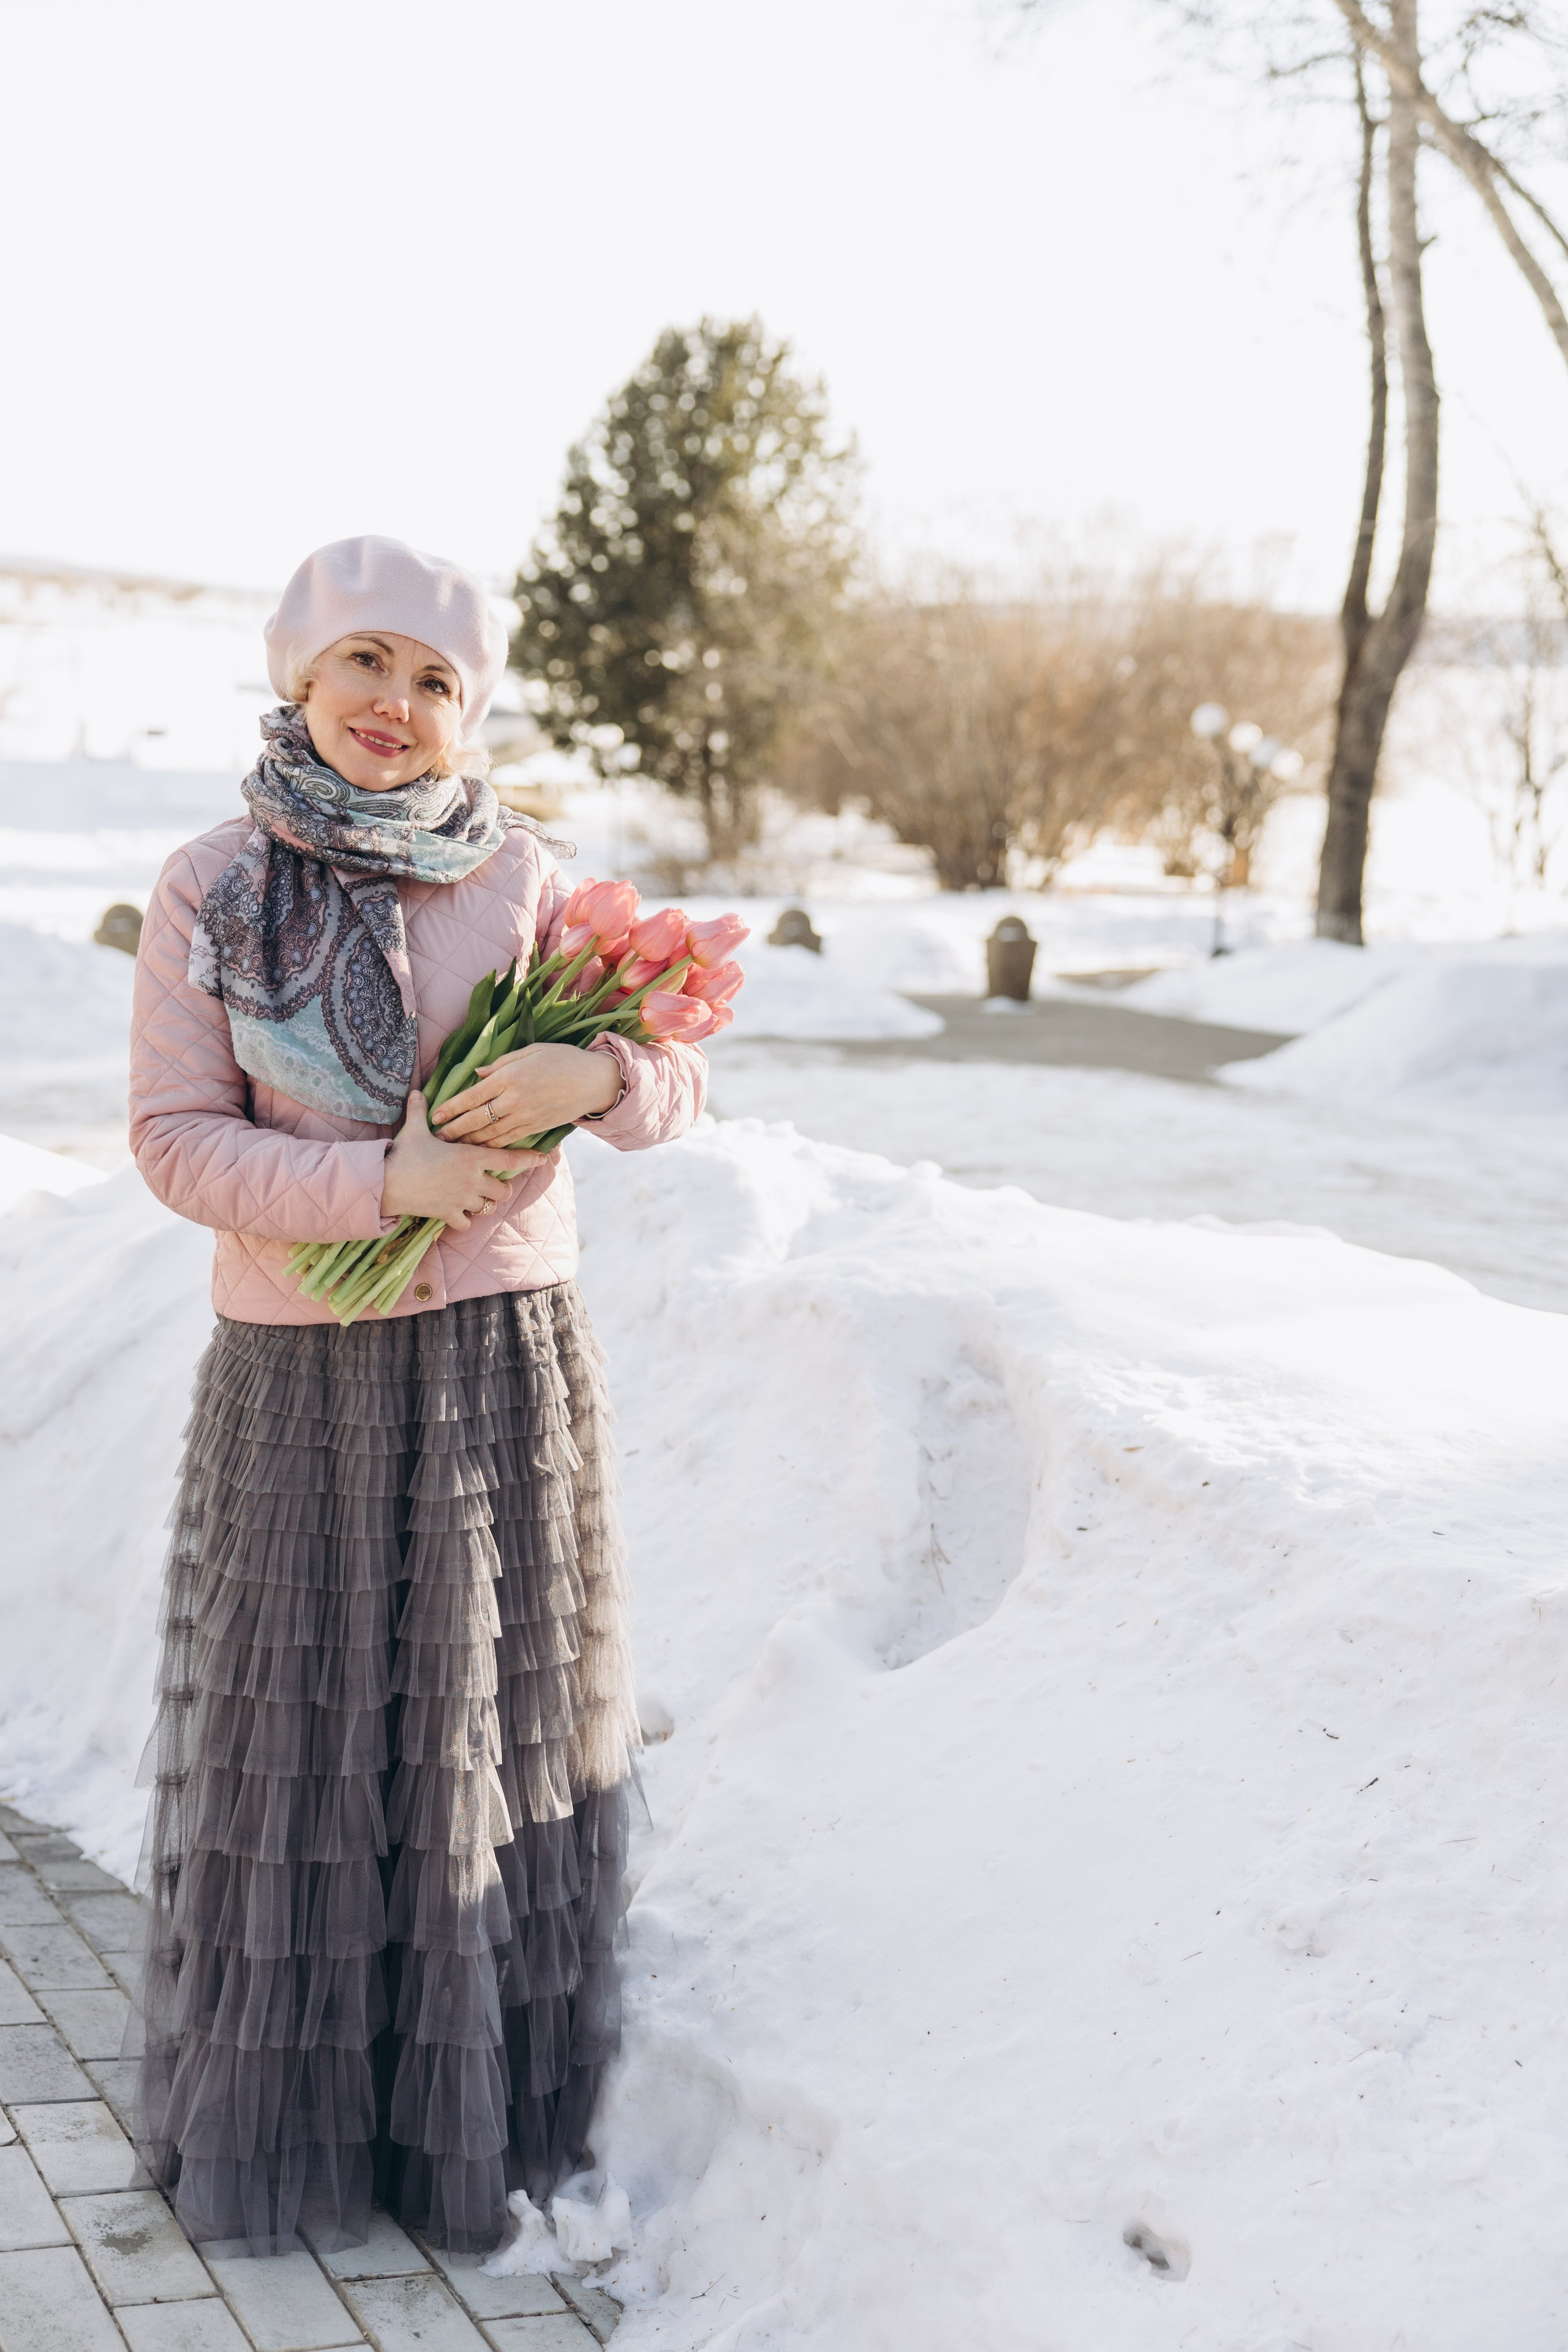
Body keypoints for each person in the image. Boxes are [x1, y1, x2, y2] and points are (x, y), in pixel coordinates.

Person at [126, 535, 706, 2258]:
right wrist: (392, 1182)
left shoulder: (519, 880)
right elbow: (176, 1143)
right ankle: (297, 2127)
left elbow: (674, 1076)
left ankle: (465, 2126)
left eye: (439, 680)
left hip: (497, 1370)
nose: (398, 705)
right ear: (301, 672)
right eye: (369, 662)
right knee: (304, 1753)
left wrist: (599, 1069)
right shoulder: (212, 884)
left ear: (475, 712)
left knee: (469, 1724)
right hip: (299, 1367)